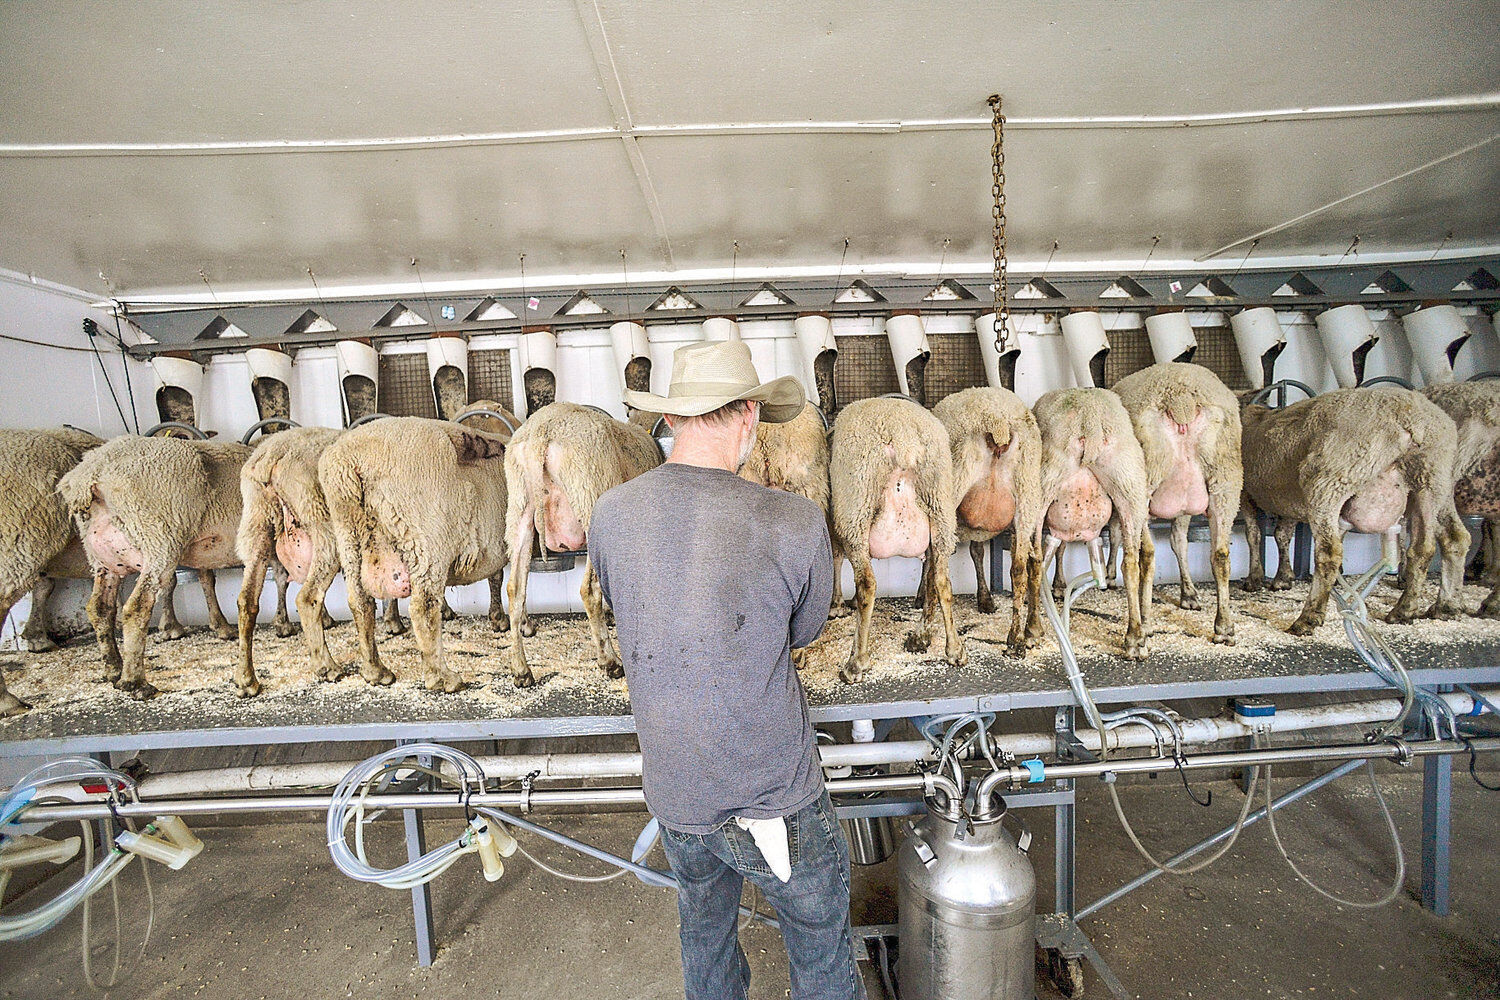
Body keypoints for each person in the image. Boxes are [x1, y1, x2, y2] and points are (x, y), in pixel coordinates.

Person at [589, 339, 864, 1000]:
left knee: (706, 940)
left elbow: (623, 610)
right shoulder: (793, 521)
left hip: (677, 793)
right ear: (747, 415)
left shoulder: (611, 514)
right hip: (771, 798)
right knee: (821, 948)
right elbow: (804, 632)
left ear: (675, 420)